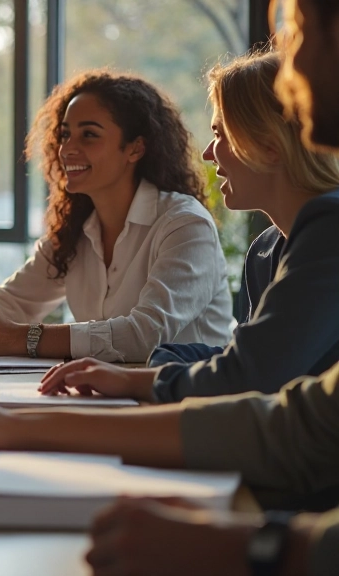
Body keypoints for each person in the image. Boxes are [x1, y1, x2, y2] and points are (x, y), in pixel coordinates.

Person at [0, 3, 339, 567]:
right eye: (65, 134)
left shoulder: (227, 224)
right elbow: (261, 385)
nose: (292, 62)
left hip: (276, 489)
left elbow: (246, 380)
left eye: (298, 30)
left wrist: (24, 397)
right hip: (257, 472)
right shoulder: (268, 249)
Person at [37, 55, 339, 404]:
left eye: (220, 135)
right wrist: (160, 362)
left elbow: (252, 375)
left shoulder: (329, 232)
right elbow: (241, 357)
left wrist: (136, 380)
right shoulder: (265, 249)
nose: (209, 154)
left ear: (270, 146)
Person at [0, 71, 234, 362]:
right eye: (65, 134)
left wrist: (13, 337)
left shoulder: (185, 225)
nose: (67, 149)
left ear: (135, 149)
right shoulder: (77, 229)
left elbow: (144, 335)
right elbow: (16, 299)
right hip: (106, 401)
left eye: (89, 135)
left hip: (183, 410)